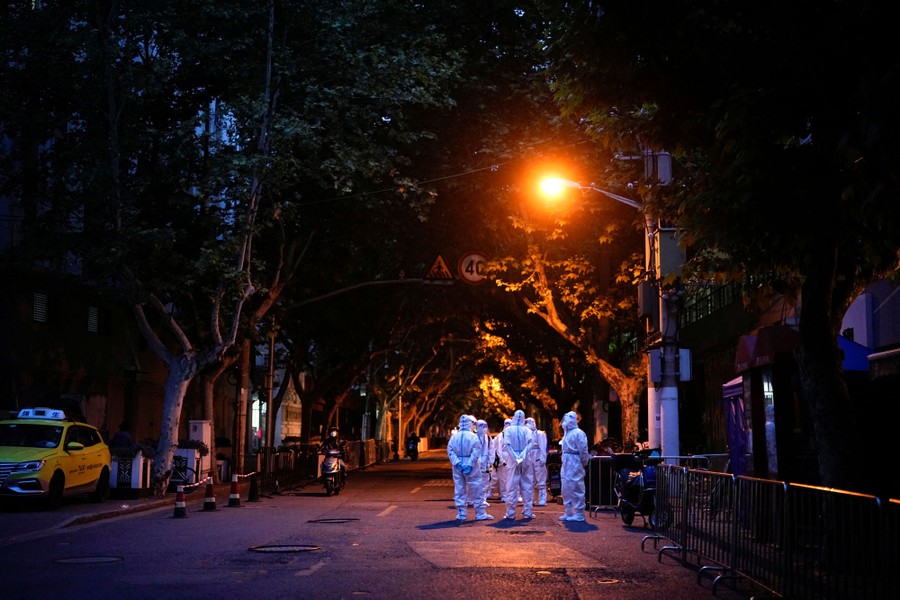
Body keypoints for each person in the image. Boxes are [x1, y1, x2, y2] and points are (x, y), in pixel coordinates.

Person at [447, 414, 492, 521]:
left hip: (458, 466)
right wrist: (469, 464)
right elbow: (476, 451)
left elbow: (450, 451)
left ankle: (462, 513)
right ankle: (480, 513)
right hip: (471, 465)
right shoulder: (473, 437)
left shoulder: (454, 437)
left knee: (459, 488)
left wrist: (457, 463)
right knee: (476, 488)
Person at [558, 411, 591, 522]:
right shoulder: (567, 433)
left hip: (575, 461)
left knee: (576, 486)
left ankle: (579, 513)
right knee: (566, 486)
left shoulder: (578, 433)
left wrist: (583, 462)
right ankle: (568, 511)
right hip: (567, 462)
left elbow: (583, 450)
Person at [502, 409, 535, 520]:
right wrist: (522, 456)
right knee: (527, 486)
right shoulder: (527, 430)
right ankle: (527, 512)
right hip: (526, 460)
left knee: (511, 486)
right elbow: (531, 443)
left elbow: (506, 445)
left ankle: (510, 513)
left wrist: (515, 457)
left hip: (512, 461)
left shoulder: (508, 430)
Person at [526, 417, 549, 506]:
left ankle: (543, 497)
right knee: (530, 478)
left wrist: (543, 457)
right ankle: (530, 498)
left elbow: (543, 446)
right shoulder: (526, 432)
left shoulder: (539, 434)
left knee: (541, 478)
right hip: (529, 455)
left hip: (537, 455)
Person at [494, 418, 513, 502]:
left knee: (512, 478)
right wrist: (501, 460)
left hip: (512, 458)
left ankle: (512, 494)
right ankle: (504, 495)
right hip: (504, 459)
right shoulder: (500, 436)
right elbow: (498, 449)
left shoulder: (513, 435)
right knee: (503, 479)